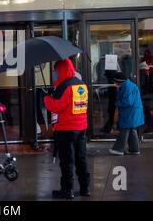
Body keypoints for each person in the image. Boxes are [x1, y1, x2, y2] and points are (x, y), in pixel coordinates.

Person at [43, 58, 90, 200]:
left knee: (67, 161)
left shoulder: (64, 87)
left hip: (66, 129)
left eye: (56, 71)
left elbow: (56, 107)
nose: (55, 74)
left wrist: (46, 98)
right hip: (81, 127)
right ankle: (85, 188)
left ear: (61, 70)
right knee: (81, 159)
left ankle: (67, 190)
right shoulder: (81, 84)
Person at [109, 72, 144, 156]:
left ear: (118, 81)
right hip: (133, 112)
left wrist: (117, 103)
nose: (114, 83)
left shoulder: (126, 86)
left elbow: (128, 102)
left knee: (125, 130)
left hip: (130, 112)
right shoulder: (128, 85)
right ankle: (134, 149)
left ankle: (118, 149)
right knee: (132, 130)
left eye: (114, 82)